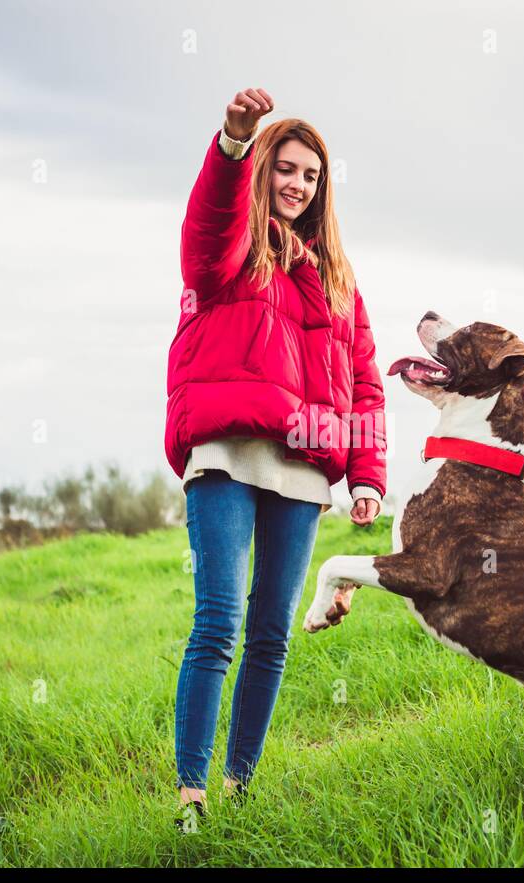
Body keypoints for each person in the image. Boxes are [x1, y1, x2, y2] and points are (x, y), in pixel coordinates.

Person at [164, 87, 387, 820]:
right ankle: (191, 797)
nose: (297, 183)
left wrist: (367, 474)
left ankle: (240, 788)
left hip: (303, 468)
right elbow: (208, 225)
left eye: (311, 175)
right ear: (264, 171)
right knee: (220, 621)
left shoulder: (339, 279)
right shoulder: (230, 250)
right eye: (285, 168)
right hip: (227, 449)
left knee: (270, 635)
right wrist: (232, 143)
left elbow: (363, 379)